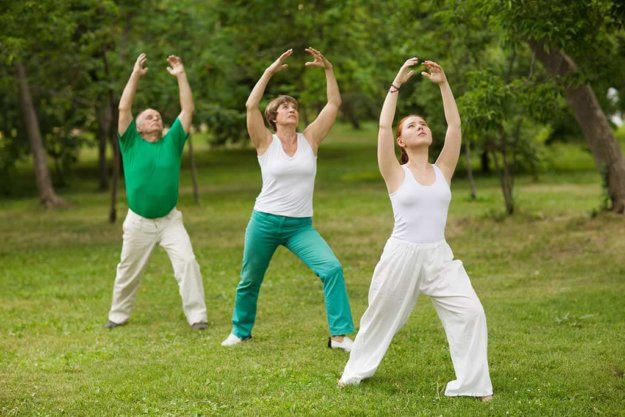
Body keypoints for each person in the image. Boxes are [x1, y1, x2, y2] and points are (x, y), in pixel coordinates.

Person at [338, 58, 493, 400]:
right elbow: (382, 128)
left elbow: (455, 126)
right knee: (380, 315)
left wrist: (444, 85)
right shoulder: (395, 172)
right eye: (411, 126)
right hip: (402, 255)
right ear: (401, 142)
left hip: (438, 255)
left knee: (471, 312)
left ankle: (473, 384)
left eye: (423, 123)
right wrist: (395, 85)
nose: (420, 127)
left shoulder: (443, 169)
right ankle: (354, 372)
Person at [221, 48, 354, 351]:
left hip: (300, 227)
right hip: (264, 221)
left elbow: (334, 103)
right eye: (285, 107)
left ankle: (340, 336)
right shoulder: (264, 141)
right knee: (249, 279)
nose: (292, 109)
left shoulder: (311, 139)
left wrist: (328, 70)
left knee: (331, 269)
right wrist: (269, 71)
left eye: (294, 106)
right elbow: (250, 103)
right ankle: (240, 331)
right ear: (273, 117)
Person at [105, 53, 208, 330]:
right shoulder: (130, 142)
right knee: (128, 270)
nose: (155, 117)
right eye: (149, 116)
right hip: (138, 221)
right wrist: (135, 75)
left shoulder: (172, 141)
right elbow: (124, 108)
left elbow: (187, 111)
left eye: (158, 116)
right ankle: (117, 316)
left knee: (187, 262)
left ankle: (197, 317)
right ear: (138, 127)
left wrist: (181, 75)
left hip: (169, 220)